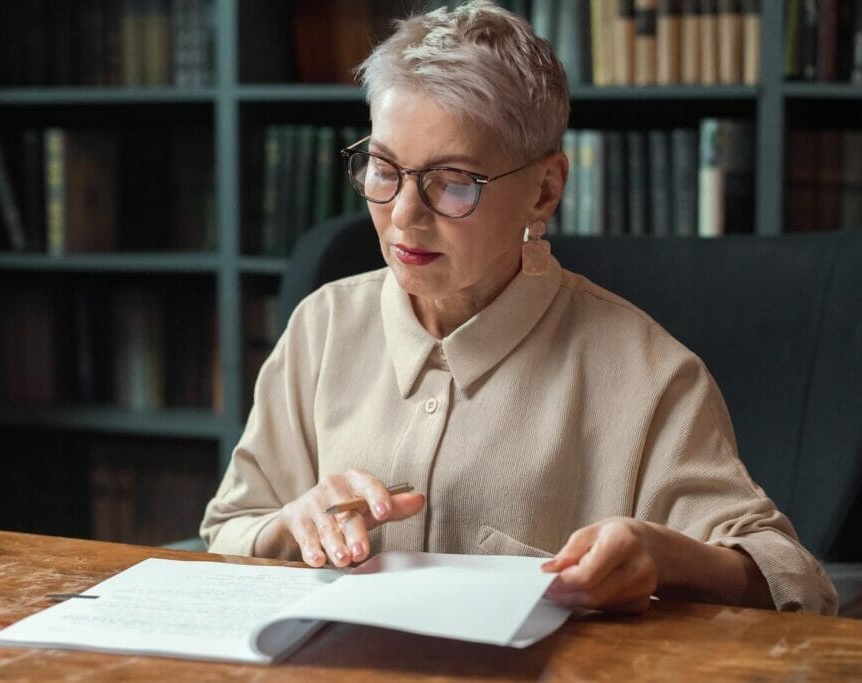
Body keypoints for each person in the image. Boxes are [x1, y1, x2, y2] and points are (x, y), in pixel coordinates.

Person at [201, 1, 837, 615]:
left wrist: (668, 559)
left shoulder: (647, 373)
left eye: (453, 182)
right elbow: (226, 531)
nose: (403, 216)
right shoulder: (323, 327)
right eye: (383, 167)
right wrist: (289, 524)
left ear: (545, 191)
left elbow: (796, 581)